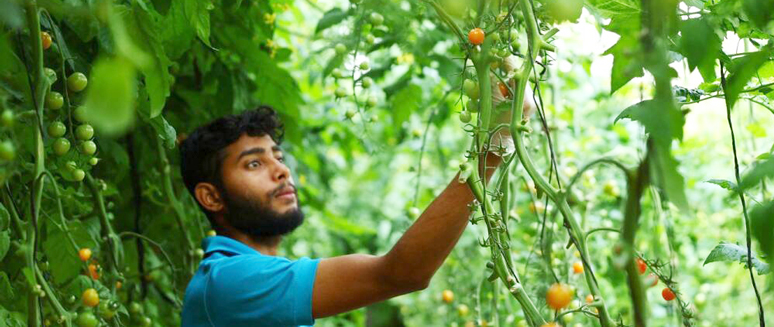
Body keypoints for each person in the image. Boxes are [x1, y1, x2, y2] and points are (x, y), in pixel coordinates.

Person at [179, 74, 535, 326]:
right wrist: (493, 147)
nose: (281, 171)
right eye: (254, 163)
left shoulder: (244, 282)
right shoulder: (230, 282)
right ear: (211, 197)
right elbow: (400, 273)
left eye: (278, 157)